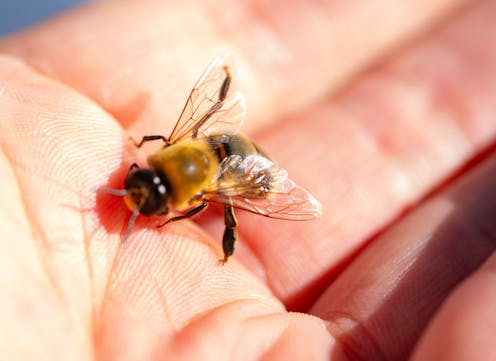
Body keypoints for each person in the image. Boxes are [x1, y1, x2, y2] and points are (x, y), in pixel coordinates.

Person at [0, 0, 495, 359]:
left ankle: (229, 244)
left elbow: (196, 201)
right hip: (211, 143)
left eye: (150, 193)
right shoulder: (171, 148)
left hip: (235, 166)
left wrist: (173, 214)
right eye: (144, 182)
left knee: (232, 203)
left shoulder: (199, 191)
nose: (138, 189)